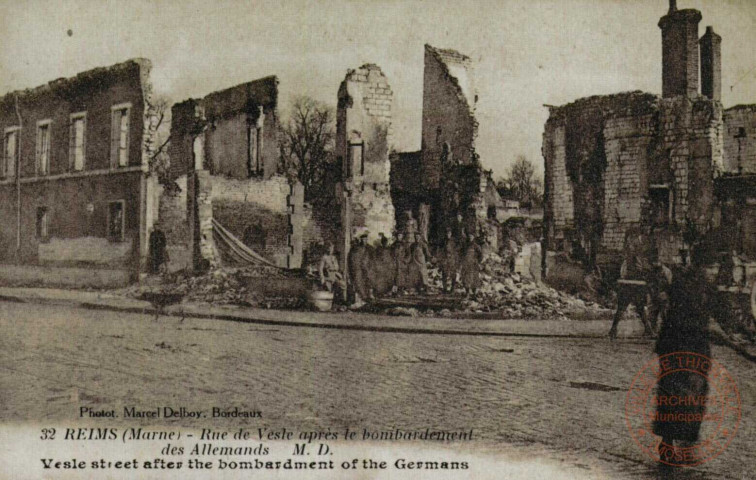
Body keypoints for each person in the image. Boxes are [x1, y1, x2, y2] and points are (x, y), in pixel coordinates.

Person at [653, 242, 714, 463]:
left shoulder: (688, 279)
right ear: (705, 265)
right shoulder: (697, 283)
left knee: (675, 394)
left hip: (677, 344)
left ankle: (673, 443)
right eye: (713, 266)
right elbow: (697, 315)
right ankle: (674, 443)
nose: (714, 271)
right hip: (684, 344)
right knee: (684, 394)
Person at [439, 229, 459, 293]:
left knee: (453, 273)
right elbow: (440, 249)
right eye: (447, 233)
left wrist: (454, 255)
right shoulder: (443, 241)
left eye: (449, 233)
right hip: (445, 258)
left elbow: (457, 249)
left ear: (451, 234)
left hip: (452, 258)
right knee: (444, 273)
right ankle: (444, 288)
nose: (448, 235)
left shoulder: (454, 241)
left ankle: (452, 288)